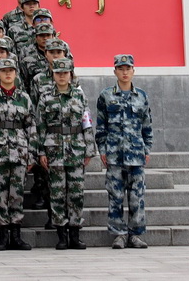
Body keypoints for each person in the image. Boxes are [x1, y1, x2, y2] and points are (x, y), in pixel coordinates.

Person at [95, 53, 153, 250]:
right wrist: (102, 149)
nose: (125, 72)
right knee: (115, 196)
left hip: (136, 154)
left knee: (137, 197)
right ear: (115, 72)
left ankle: (135, 235)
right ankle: (119, 235)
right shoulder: (106, 96)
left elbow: (147, 126)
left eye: (128, 68)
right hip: (114, 154)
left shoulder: (142, 96)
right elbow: (101, 126)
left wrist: (147, 149)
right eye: (121, 69)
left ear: (133, 71)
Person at [0, 57, 36, 251]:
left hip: (19, 151)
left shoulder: (24, 98)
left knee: (17, 194)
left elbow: (31, 127)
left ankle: (16, 235)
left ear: (16, 73)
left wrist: (31, 154)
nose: (8, 74)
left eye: (11, 70)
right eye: (4, 71)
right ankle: (3, 235)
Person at [37, 57, 93, 250]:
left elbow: (87, 123)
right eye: (58, 73)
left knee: (76, 193)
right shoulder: (45, 97)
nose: (61, 76)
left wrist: (89, 149)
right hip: (54, 150)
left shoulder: (79, 95)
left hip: (76, 149)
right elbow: (40, 126)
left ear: (70, 74)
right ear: (53, 74)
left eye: (65, 73)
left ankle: (75, 234)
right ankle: (61, 235)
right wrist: (41, 151)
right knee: (57, 193)